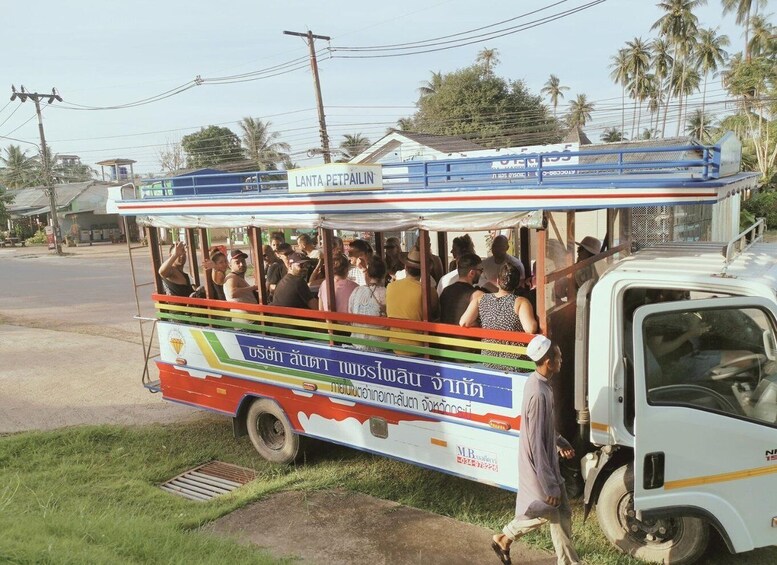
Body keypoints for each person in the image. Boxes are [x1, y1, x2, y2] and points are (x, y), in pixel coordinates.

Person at [491, 336, 579, 565]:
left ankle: (569, 562)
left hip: (547, 461)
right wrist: (548, 482)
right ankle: (504, 537)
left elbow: (544, 429)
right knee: (547, 510)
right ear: (548, 362)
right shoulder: (538, 393)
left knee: (562, 514)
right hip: (541, 466)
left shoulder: (538, 382)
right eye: (558, 356)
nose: (562, 359)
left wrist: (560, 442)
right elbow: (536, 442)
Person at [461, 264, 537, 370]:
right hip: (515, 363)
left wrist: (483, 324)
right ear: (517, 284)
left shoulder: (480, 299)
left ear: (497, 281)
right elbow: (530, 328)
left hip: (489, 361)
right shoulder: (521, 302)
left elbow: (464, 322)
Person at [386, 247, 439, 355]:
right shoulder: (429, 291)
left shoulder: (390, 286)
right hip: (418, 346)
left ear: (405, 267)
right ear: (423, 271)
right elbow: (434, 314)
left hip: (394, 344)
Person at [349, 256, 388, 351]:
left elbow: (350, 316)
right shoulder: (386, 293)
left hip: (357, 342)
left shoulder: (357, 290)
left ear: (369, 274)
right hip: (379, 345)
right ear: (384, 274)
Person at [439, 253, 483, 326]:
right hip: (466, 337)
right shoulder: (477, 295)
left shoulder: (445, 290)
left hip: (443, 336)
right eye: (480, 270)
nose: (481, 273)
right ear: (472, 273)